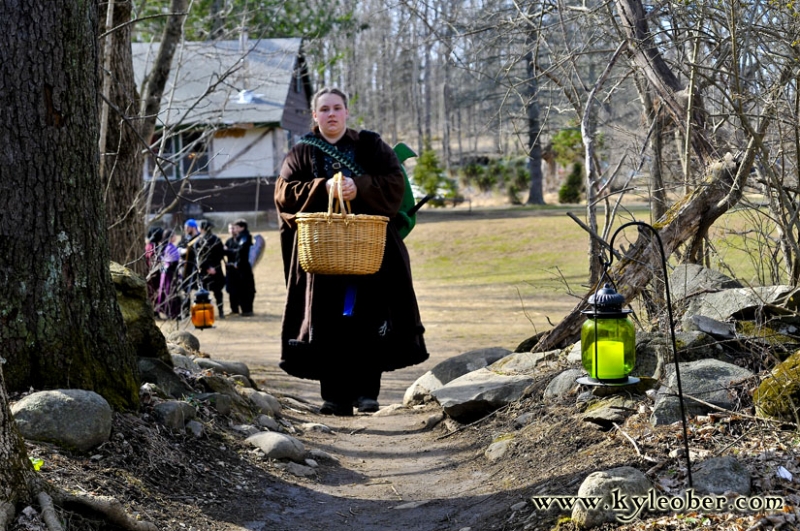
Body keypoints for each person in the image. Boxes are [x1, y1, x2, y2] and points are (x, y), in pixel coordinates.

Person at [274, 87, 428, 416]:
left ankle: (367, 393)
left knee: (371, 319)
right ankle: (334, 398)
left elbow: (394, 182)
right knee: (326, 324)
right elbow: (284, 194)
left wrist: (359, 187)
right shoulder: (301, 153)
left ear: (346, 112)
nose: (331, 114)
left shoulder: (370, 146)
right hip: (323, 256)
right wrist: (322, 188)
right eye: (324, 109)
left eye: (337, 108)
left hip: (370, 253)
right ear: (315, 116)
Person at [224, 219, 256, 316]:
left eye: (237, 227)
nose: (235, 229)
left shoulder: (246, 237)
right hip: (237, 270)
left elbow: (240, 251)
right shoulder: (235, 239)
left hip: (243, 268)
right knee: (237, 289)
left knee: (246, 289)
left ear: (242, 228)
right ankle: (236, 309)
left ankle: (247, 310)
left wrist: (228, 250)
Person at [196, 219, 227, 318]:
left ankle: (206, 314)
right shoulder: (217, 239)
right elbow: (221, 254)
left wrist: (207, 267)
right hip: (216, 269)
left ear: (201, 229)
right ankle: (221, 312)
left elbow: (199, 257)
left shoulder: (200, 241)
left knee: (204, 293)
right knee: (218, 292)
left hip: (206, 270)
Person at [177, 218, 201, 318]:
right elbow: (178, 247)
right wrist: (181, 251)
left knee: (199, 290)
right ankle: (186, 312)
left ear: (192, 227)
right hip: (186, 268)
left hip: (196, 267)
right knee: (186, 290)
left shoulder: (199, 238)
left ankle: (200, 311)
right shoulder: (185, 238)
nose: (186, 229)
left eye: (187, 227)